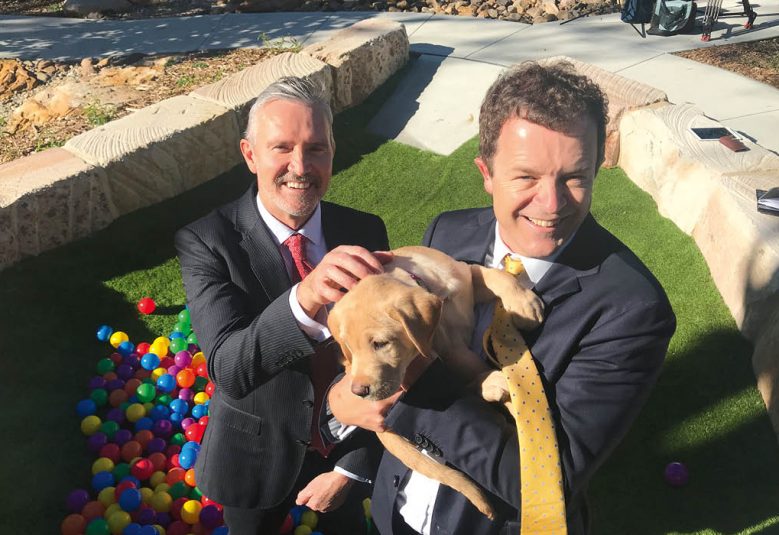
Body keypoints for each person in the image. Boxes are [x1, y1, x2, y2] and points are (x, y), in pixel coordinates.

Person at [330, 61, 677, 534]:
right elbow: (372, 349)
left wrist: (413, 389)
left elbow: (544, 481)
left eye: (575, 177)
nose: (552, 205)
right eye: (526, 177)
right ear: (486, 173)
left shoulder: (631, 309)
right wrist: (341, 397)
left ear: (598, 167)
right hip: (396, 513)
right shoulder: (446, 235)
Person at [175, 76, 391, 535]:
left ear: (333, 151)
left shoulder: (365, 231)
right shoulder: (207, 241)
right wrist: (307, 295)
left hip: (343, 448)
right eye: (282, 148)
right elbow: (228, 368)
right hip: (253, 455)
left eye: (316, 148)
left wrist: (352, 466)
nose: (300, 166)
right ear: (250, 154)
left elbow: (389, 360)